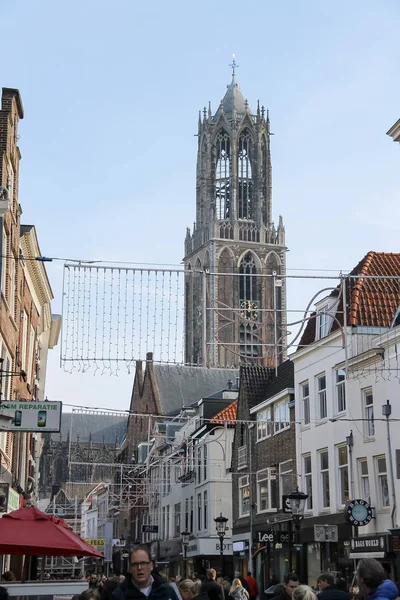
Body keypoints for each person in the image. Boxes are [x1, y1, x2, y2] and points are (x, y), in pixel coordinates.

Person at [112, 545, 179, 600]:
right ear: (130, 568)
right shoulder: (119, 595)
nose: (139, 568)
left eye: (143, 563)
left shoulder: (167, 592)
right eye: (135, 564)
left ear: (151, 566)